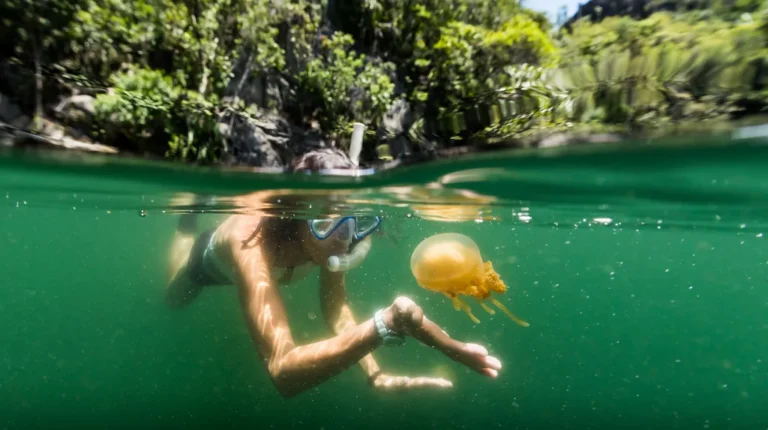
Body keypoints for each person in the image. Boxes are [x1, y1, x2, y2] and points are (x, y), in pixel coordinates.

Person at [164, 147, 503, 398]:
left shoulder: (329, 240)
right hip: (207, 266)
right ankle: (187, 220)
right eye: (329, 223)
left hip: (276, 261)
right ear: (295, 217)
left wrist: (376, 375)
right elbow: (283, 371)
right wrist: (380, 326)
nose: (345, 239)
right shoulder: (248, 242)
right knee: (175, 298)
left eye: (352, 222)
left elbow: (335, 309)